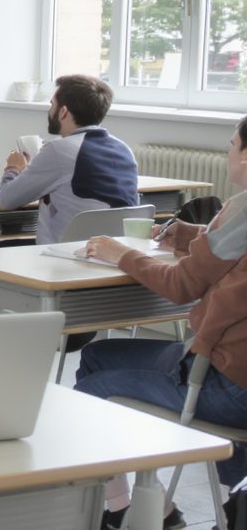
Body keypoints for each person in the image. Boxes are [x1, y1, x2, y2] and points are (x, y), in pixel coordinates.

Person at [76, 118, 247, 530]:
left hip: (227, 386)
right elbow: (230, 249)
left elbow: (181, 284)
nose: (228, 152)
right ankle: (213, 503)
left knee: (83, 394)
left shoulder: (244, 207)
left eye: (231, 144)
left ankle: (136, 510)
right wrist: (193, 236)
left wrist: (122, 254)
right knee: (98, 354)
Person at [0, 74, 139, 245]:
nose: (50, 111)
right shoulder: (123, 149)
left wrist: (13, 169)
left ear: (63, 112)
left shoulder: (59, 149)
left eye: (52, 104)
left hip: (66, 256)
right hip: (115, 254)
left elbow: (6, 200)